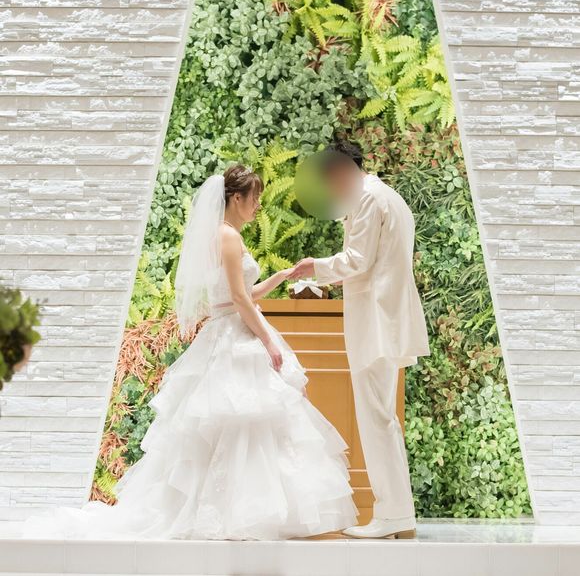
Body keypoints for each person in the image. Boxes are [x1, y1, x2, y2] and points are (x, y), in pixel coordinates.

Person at [22, 164, 357, 541]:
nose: (258, 205)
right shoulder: (227, 237)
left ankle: (240, 512)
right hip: (235, 335)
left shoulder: (227, 235)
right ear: (236, 198)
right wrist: (269, 340)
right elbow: (238, 300)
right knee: (239, 418)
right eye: (255, 198)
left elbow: (239, 295)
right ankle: (232, 513)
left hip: (233, 328)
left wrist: (277, 279)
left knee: (244, 421)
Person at [291, 141, 430, 539]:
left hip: (375, 322)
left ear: (341, 171)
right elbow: (375, 260)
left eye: (331, 181)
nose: (333, 191)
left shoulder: (368, 199)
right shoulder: (387, 196)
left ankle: (393, 515)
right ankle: (398, 513)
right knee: (382, 418)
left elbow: (357, 259)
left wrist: (314, 266)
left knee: (376, 419)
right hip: (385, 319)